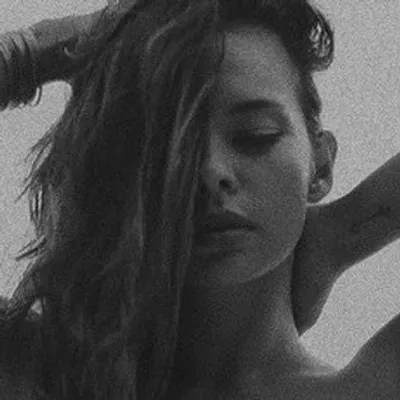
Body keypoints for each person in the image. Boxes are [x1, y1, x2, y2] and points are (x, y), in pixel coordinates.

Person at [0, 0, 399, 399]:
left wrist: (344, 230)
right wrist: (35, 53)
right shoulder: (31, 372)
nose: (210, 171)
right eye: (169, 147)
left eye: (255, 136)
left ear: (321, 166)